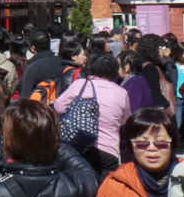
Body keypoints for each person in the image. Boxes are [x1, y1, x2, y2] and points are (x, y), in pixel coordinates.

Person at [54, 53, 130, 181]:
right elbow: (125, 120)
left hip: (78, 144)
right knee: (104, 194)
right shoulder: (121, 93)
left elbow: (58, 107)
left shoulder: (81, 85)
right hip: (108, 150)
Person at [20, 29, 65, 98]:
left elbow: (25, 95)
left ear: (33, 48)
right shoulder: (62, 62)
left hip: (40, 106)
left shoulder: (32, 67)